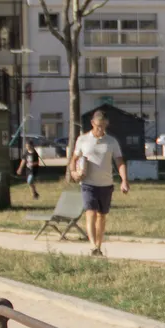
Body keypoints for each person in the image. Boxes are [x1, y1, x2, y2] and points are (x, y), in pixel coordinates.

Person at [69, 110, 130, 257]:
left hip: (106, 184)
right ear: (92, 123)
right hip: (88, 184)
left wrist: (124, 180)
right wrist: (74, 172)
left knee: (102, 216)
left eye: (104, 126)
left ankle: (98, 245)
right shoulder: (82, 140)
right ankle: (92, 246)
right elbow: (74, 160)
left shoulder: (111, 141)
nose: (101, 129)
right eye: (98, 126)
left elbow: (119, 161)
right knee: (90, 213)